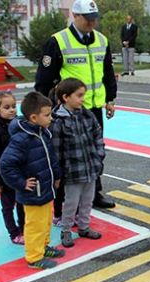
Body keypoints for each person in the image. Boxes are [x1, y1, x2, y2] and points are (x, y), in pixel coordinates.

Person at [35, 0, 116, 208]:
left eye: (94, 19)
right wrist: (45, 110)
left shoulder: (102, 40)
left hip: (94, 109)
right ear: (75, 16)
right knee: (67, 155)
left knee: (94, 152)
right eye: (88, 19)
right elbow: (44, 80)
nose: (92, 23)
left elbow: (107, 72)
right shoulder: (58, 42)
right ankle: (63, 199)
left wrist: (110, 99)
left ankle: (95, 194)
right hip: (68, 112)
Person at [0, 92, 65, 269]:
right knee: (35, 225)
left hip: (46, 189)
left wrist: (57, 175)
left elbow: (51, 158)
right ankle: (34, 257)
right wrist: (21, 183)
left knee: (45, 222)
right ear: (34, 117)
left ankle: (43, 247)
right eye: (47, 115)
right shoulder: (22, 139)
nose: (51, 118)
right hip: (33, 193)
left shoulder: (42, 133)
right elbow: (6, 165)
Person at [49, 78, 104, 248]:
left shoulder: (87, 115)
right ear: (66, 97)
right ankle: (66, 230)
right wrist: (58, 173)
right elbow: (56, 151)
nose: (82, 99)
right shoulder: (58, 121)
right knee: (71, 203)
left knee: (88, 200)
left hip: (90, 168)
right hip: (72, 172)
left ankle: (84, 227)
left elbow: (98, 136)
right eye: (79, 96)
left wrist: (98, 157)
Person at [0, 91, 24, 245]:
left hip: (19, 175)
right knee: (8, 206)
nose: (12, 110)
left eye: (14, 106)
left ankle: (23, 229)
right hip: (4, 177)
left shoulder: (19, 124)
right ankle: (14, 233)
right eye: (7, 107)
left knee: (21, 204)